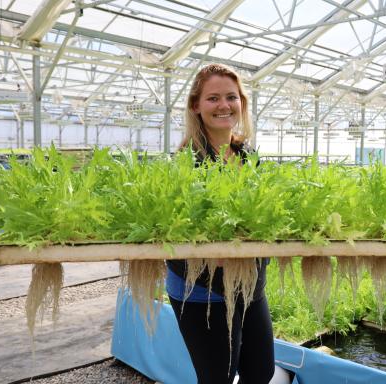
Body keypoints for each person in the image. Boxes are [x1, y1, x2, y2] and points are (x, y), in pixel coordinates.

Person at [165, 63, 275, 384]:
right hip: (202, 288)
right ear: (196, 106)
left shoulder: (248, 156)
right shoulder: (186, 163)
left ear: (241, 103)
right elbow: (171, 232)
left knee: (260, 371)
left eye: (231, 97)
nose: (224, 106)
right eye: (213, 98)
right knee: (217, 377)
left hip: (250, 283)